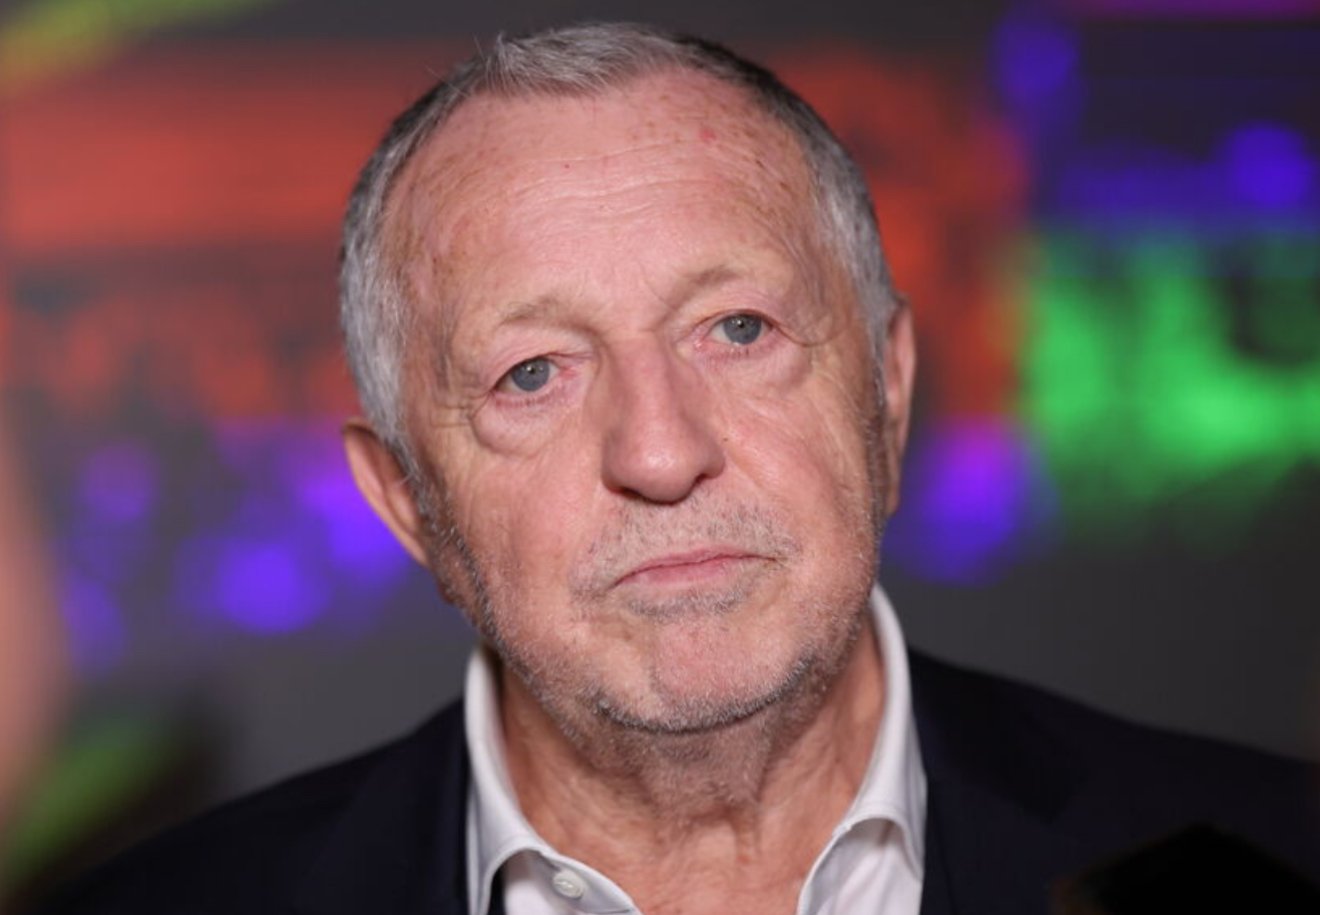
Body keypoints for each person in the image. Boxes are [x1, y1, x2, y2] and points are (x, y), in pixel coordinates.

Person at [44, 22, 1320, 915]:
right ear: (406, 504)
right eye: (533, 373)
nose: (661, 454)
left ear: (886, 391)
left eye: (739, 329)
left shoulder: (1280, 863)